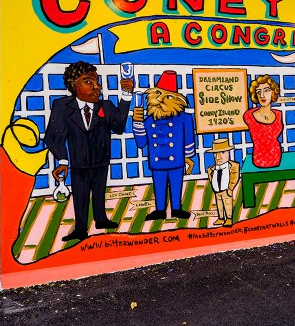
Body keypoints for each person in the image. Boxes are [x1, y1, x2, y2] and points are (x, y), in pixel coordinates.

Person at [44, 61, 133, 242]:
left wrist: (126, 95)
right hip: (79, 162)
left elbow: (119, 127)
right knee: (81, 194)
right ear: (73, 84)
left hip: (101, 159)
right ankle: (81, 228)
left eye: (97, 82)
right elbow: (53, 137)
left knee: (100, 190)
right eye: (89, 82)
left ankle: (100, 219)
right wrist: (62, 160)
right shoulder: (63, 106)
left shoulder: (105, 106)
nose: (97, 87)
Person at [133, 70, 195, 221]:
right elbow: (141, 143)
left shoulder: (185, 118)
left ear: (176, 99)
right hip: (157, 161)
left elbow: (188, 139)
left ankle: (176, 209)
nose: (161, 100)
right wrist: (136, 122)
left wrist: (188, 157)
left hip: (177, 161)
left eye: (167, 96)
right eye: (158, 94)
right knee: (159, 186)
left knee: (176, 184)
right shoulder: (149, 120)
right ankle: (160, 210)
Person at [243, 74, 284, 168]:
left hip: (276, 157)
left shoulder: (278, 114)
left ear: (273, 92)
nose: (262, 95)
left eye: (266, 90)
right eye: (258, 92)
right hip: (259, 159)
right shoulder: (249, 116)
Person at [205, 139, 240, 227]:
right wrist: (214, 187)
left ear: (228, 152)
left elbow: (234, 177)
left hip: (226, 190)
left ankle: (229, 218)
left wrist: (230, 188)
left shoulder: (233, 166)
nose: (218, 157)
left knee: (227, 204)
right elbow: (211, 177)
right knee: (219, 204)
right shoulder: (211, 169)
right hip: (217, 190)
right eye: (215, 154)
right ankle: (221, 218)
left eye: (222, 152)